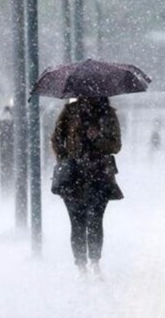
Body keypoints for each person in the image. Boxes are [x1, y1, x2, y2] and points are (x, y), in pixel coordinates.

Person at [51, 97, 123, 277]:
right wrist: (66, 159)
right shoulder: (70, 112)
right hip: (73, 177)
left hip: (99, 175)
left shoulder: (108, 114)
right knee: (77, 222)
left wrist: (97, 138)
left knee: (95, 220)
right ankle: (81, 265)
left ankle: (94, 261)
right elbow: (56, 139)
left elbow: (116, 145)